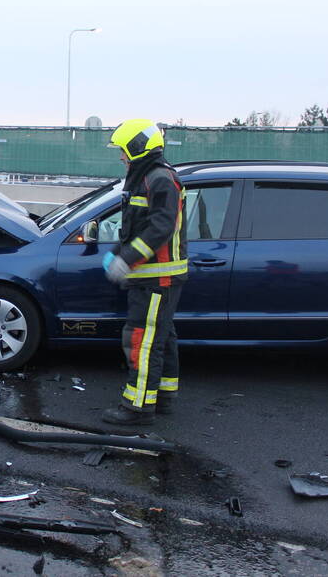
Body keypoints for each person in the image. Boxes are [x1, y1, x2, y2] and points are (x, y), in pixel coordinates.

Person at [101, 119, 188, 427]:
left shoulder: (159, 179)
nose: (121, 157)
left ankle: (137, 407)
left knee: (142, 339)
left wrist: (126, 259)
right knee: (161, 337)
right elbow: (137, 226)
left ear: (138, 148)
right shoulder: (148, 178)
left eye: (123, 151)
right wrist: (118, 252)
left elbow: (160, 227)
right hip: (154, 276)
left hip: (157, 278)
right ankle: (162, 395)